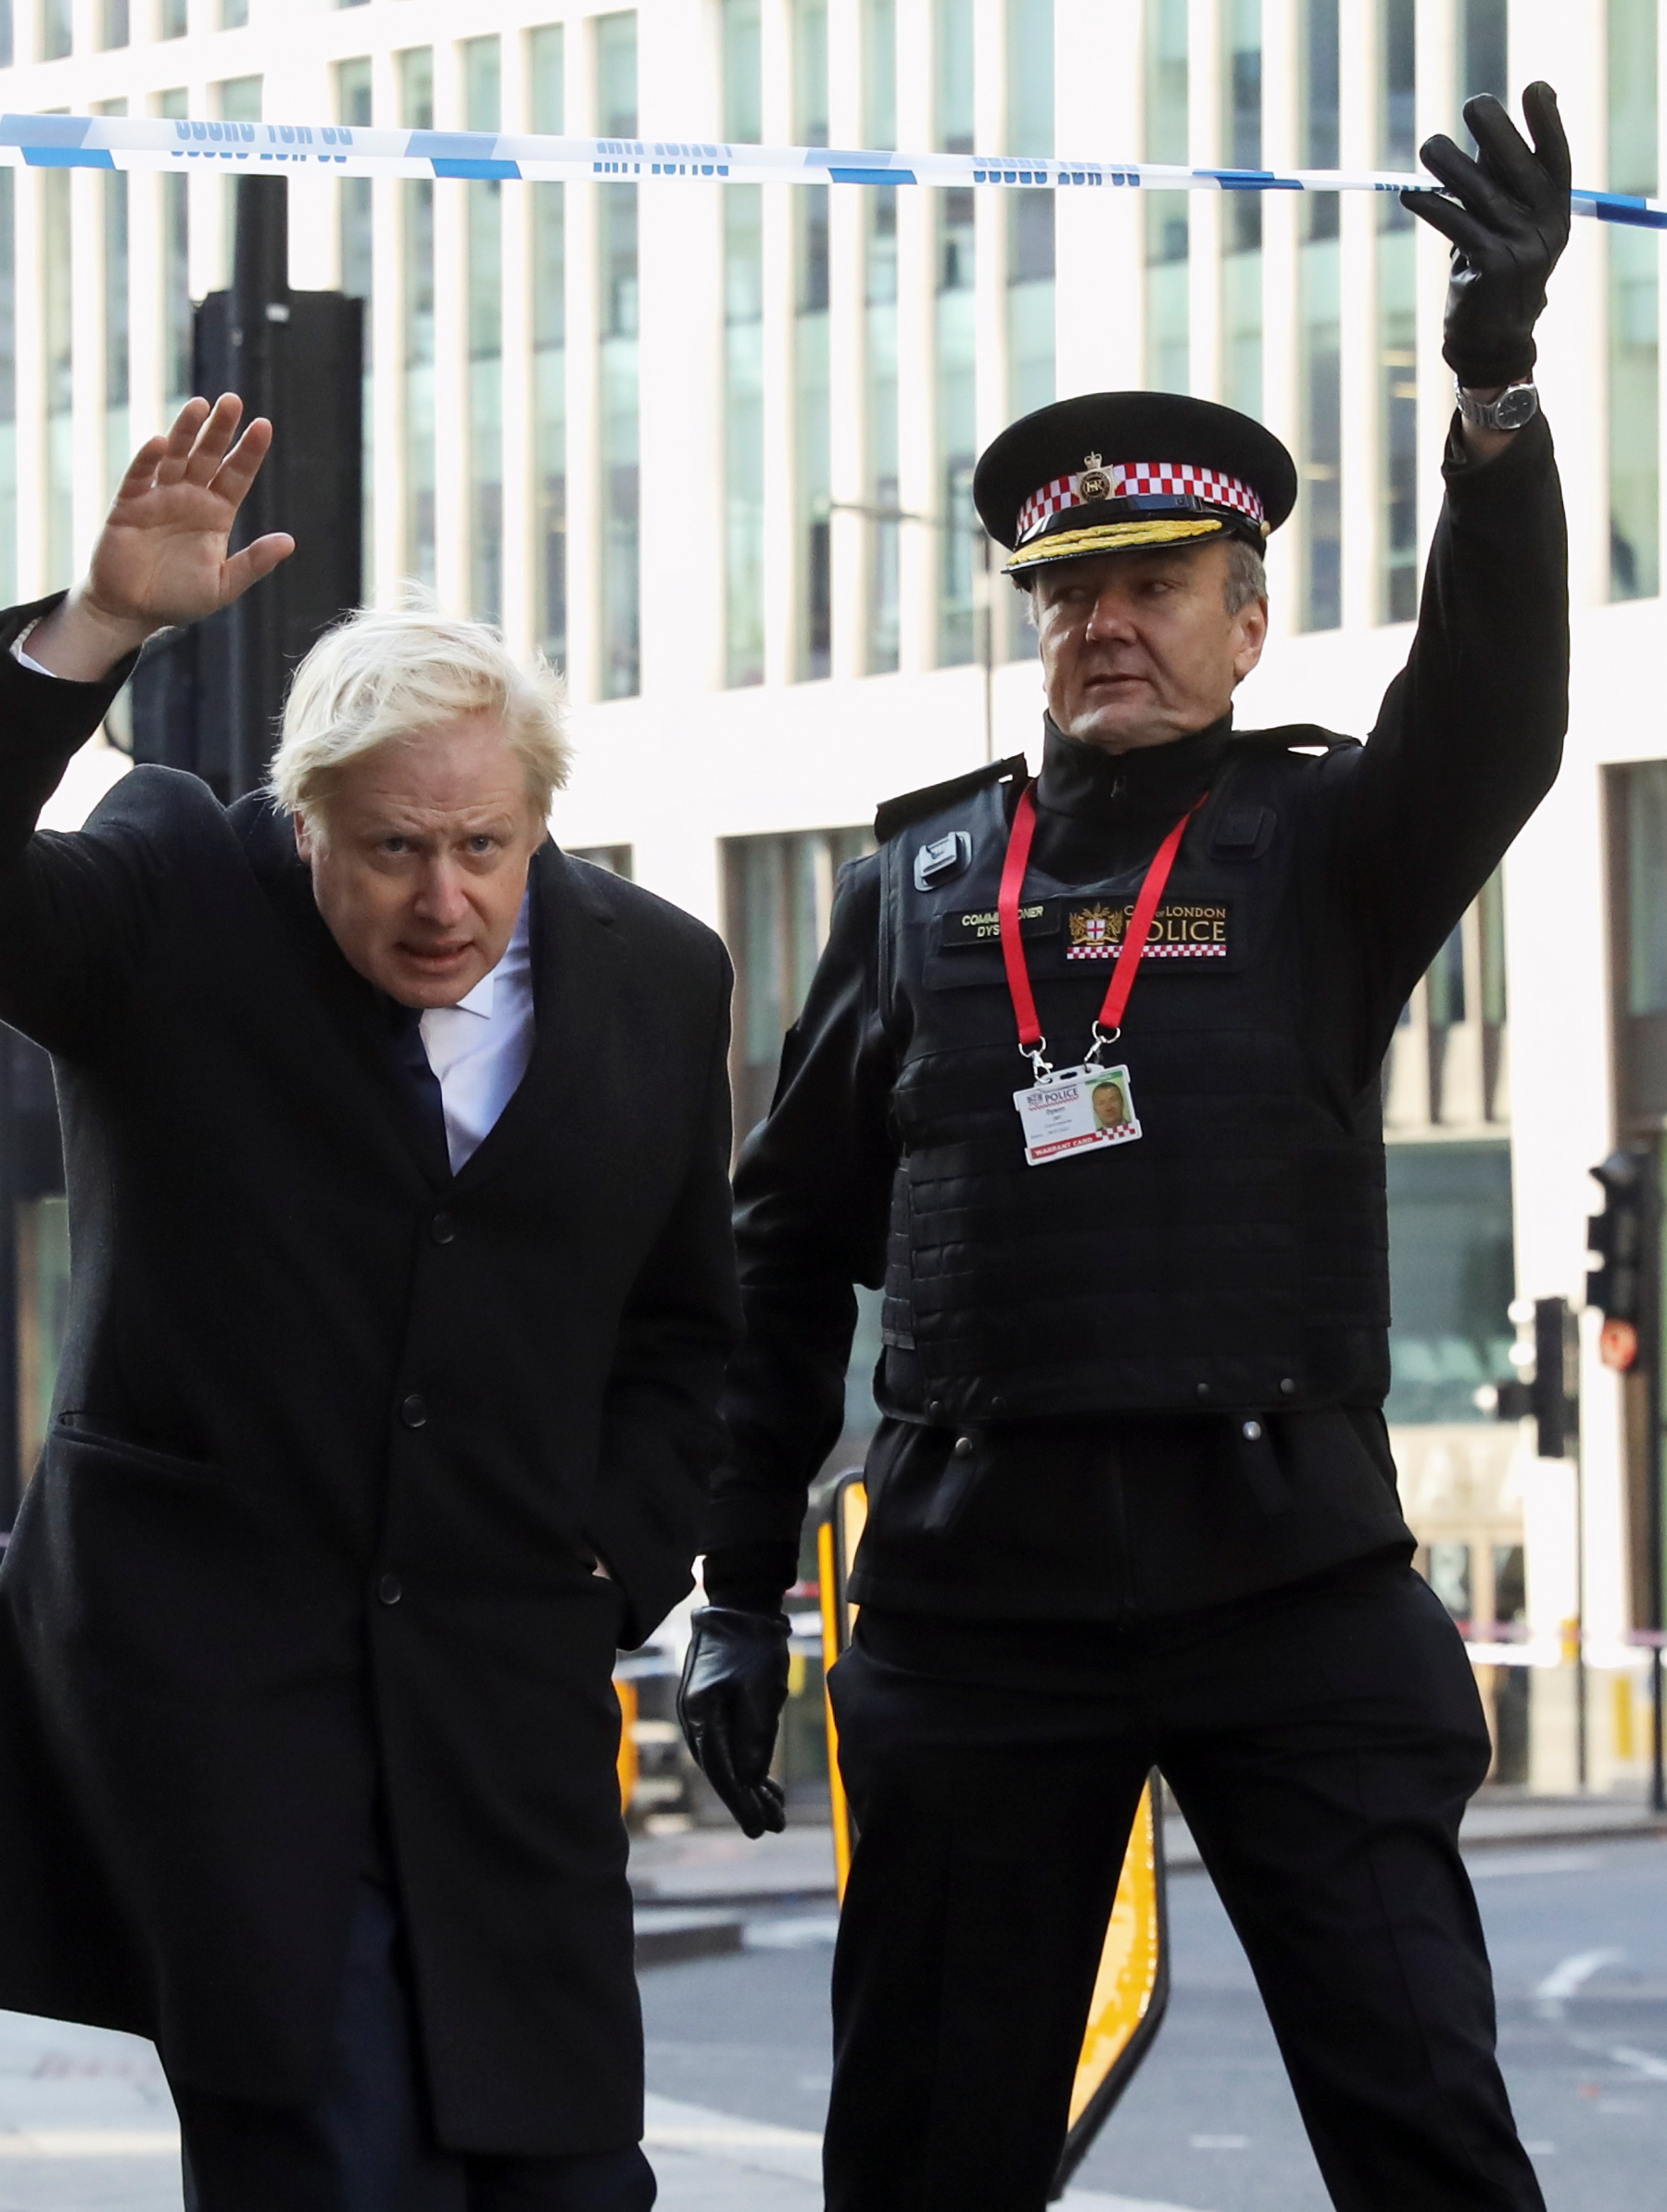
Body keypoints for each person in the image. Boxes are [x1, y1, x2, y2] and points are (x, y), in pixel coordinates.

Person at [681, 89, 1574, 2212]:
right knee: (921, 2155)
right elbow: (781, 1248)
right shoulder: (917, 888)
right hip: (980, 1602)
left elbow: (1500, 705)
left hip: (1291, 1578)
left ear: (1247, 619)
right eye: (1072, 586)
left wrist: (1498, 397)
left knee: (1427, 2131)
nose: (1111, 619)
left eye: (1161, 581)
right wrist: (732, 1590)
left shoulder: (1336, 848)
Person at [0, 394, 737, 2211]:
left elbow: (681, 1324)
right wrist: (93, 630)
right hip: (226, 1696)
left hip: (502, 1697)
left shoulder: (655, 974)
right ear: (301, 819)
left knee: (569, 2180)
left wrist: (610, 1558)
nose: (443, 897)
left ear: (541, 816)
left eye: (484, 844)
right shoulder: (172, 889)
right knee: (321, 2161)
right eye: (391, 847)